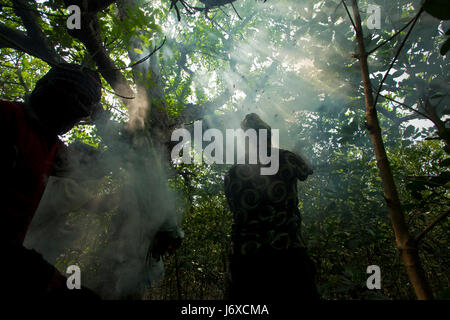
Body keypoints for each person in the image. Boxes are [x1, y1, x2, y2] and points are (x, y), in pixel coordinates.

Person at [1, 63, 103, 299]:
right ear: (51, 94)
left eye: (79, 116)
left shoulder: (51, 144)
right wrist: (39, 273)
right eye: (72, 111)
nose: (72, 122)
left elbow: (79, 168)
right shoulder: (7, 118)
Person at [224, 113, 320, 300]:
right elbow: (307, 169)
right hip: (288, 256)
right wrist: (297, 150)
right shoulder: (287, 158)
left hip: (246, 259)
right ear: (268, 136)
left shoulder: (232, 173)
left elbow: (235, 210)